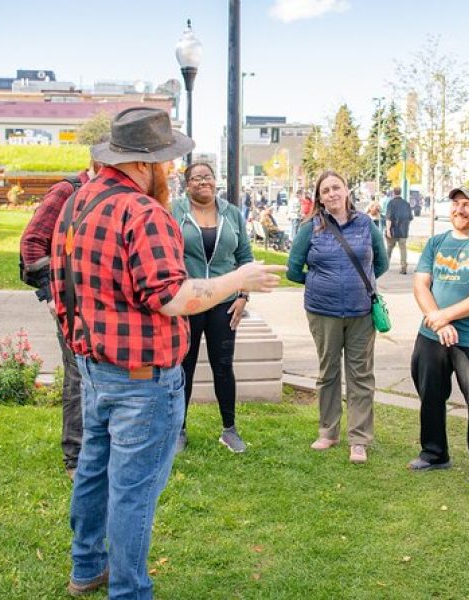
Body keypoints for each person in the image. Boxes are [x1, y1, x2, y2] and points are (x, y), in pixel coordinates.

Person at [51, 107, 284, 599]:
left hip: (94, 368)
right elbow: (173, 297)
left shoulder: (77, 202)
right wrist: (237, 280)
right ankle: (129, 589)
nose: (172, 170)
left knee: (94, 469)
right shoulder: (144, 212)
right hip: (140, 380)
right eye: (166, 160)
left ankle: (86, 566)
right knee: (132, 492)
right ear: (142, 163)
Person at [408, 186, 469, 495]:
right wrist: (438, 322)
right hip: (432, 335)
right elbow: (421, 284)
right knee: (431, 396)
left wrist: (445, 316)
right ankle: (434, 454)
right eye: (455, 204)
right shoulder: (436, 243)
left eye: (468, 205)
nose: (460, 210)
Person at [286, 170, 388, 464]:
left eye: (336, 188)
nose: (331, 194)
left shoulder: (366, 224)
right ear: (319, 197)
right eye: (325, 190)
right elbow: (294, 270)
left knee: (361, 375)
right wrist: (321, 282)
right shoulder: (310, 228)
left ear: (346, 191)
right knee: (328, 372)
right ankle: (328, 432)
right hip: (323, 312)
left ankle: (359, 439)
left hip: (361, 312)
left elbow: (379, 263)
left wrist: (357, 283)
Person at [20, 143, 105, 479]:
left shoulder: (105, 193)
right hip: (69, 301)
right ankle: (76, 457)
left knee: (95, 373)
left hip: (98, 304)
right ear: (99, 160)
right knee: (77, 374)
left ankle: (95, 449)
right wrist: (54, 295)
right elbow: (31, 243)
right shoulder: (69, 189)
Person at [172, 161, 253, 455]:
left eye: (206, 177)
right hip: (188, 300)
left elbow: (245, 255)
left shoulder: (231, 214)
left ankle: (229, 430)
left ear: (215, 180)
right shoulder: (175, 212)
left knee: (223, 365)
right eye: (195, 178)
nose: (201, 182)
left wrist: (243, 295)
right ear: (187, 184)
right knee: (185, 366)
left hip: (225, 302)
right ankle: (178, 430)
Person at [386, 186, 413, 274]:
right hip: (403, 231)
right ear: (400, 192)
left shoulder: (391, 203)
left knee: (389, 248)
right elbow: (410, 217)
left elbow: (388, 218)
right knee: (403, 248)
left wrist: (388, 230)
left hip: (393, 230)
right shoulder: (406, 203)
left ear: (393, 192)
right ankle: (403, 266)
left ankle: (385, 265)